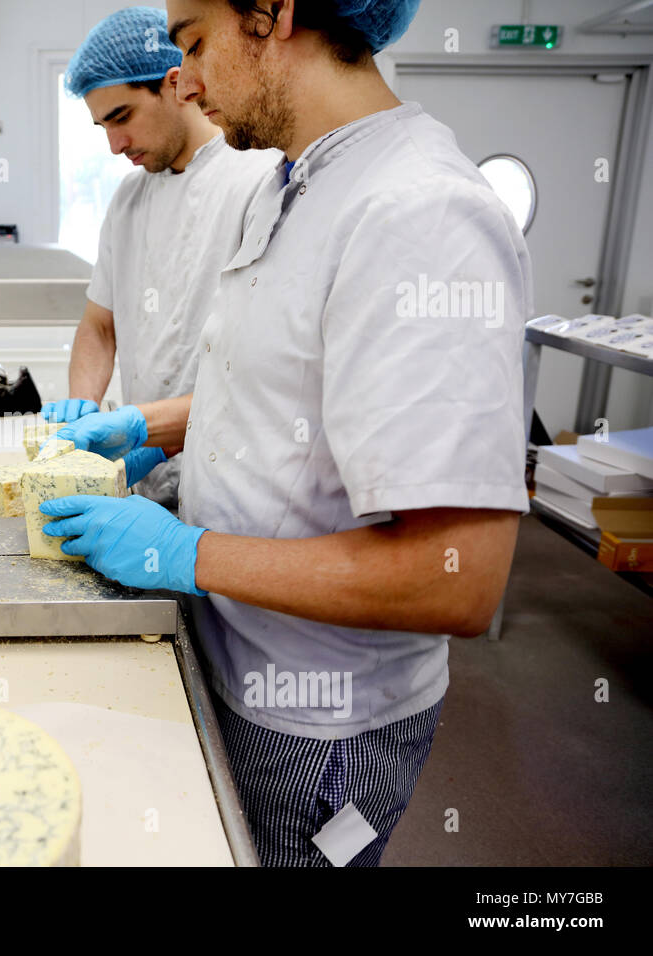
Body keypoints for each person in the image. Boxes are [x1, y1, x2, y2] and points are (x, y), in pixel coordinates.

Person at [39, 0, 532, 866]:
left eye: (193, 42)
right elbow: (281, 397)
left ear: (273, 13)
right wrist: (150, 428)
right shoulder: (294, 182)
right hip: (238, 649)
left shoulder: (418, 216)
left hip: (317, 720)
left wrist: (181, 552)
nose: (183, 78)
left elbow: (452, 580)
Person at [43, 5, 277, 508]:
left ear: (176, 83)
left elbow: (267, 371)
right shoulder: (128, 200)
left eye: (121, 117)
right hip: (144, 477)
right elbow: (99, 327)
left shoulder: (257, 179)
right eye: (102, 126)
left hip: (229, 476)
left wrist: (148, 425)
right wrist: (84, 403)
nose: (114, 145)